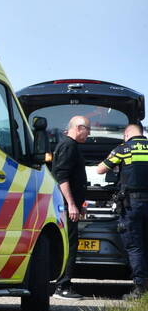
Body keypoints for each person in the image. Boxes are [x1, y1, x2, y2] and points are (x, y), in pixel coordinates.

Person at [95, 122, 148, 301]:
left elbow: (100, 169)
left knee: (135, 245)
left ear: (126, 134)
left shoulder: (123, 149)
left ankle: (140, 288)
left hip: (132, 204)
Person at [51, 115, 90, 300]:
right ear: (79, 128)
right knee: (70, 245)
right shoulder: (69, 146)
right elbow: (62, 177)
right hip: (66, 207)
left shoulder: (71, 146)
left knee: (70, 243)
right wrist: (72, 204)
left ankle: (63, 284)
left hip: (70, 205)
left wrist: (80, 203)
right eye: (87, 130)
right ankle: (63, 286)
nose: (89, 134)